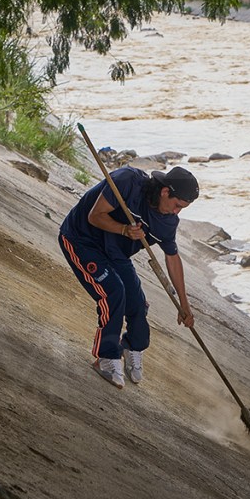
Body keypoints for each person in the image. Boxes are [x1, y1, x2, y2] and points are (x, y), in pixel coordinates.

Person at [59, 166, 199, 388]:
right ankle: (106, 358)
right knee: (113, 292)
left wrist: (184, 305)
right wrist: (124, 230)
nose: (176, 212)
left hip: (115, 252)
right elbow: (94, 216)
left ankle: (131, 346)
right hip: (81, 239)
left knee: (136, 302)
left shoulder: (167, 222)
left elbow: (172, 259)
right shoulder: (127, 182)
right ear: (165, 191)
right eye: (177, 205)